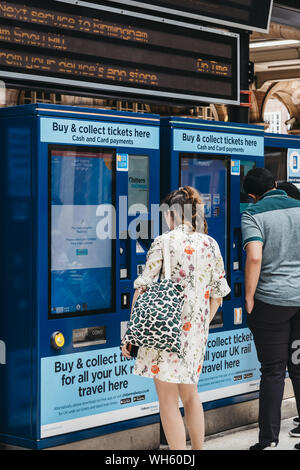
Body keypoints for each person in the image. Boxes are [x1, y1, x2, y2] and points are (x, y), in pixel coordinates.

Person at [122, 186, 230, 450]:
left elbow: (143, 288)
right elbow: (218, 295)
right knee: (191, 396)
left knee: (168, 401)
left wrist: (131, 335)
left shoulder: (163, 241)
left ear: (171, 214)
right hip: (195, 335)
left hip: (162, 333)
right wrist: (201, 324)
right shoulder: (210, 243)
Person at [241, 168, 300, 450]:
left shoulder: (253, 213)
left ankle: (268, 440)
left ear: (252, 195)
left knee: (273, 370)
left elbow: (254, 256)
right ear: (275, 184)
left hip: (271, 303)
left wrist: (249, 297)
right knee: (299, 367)